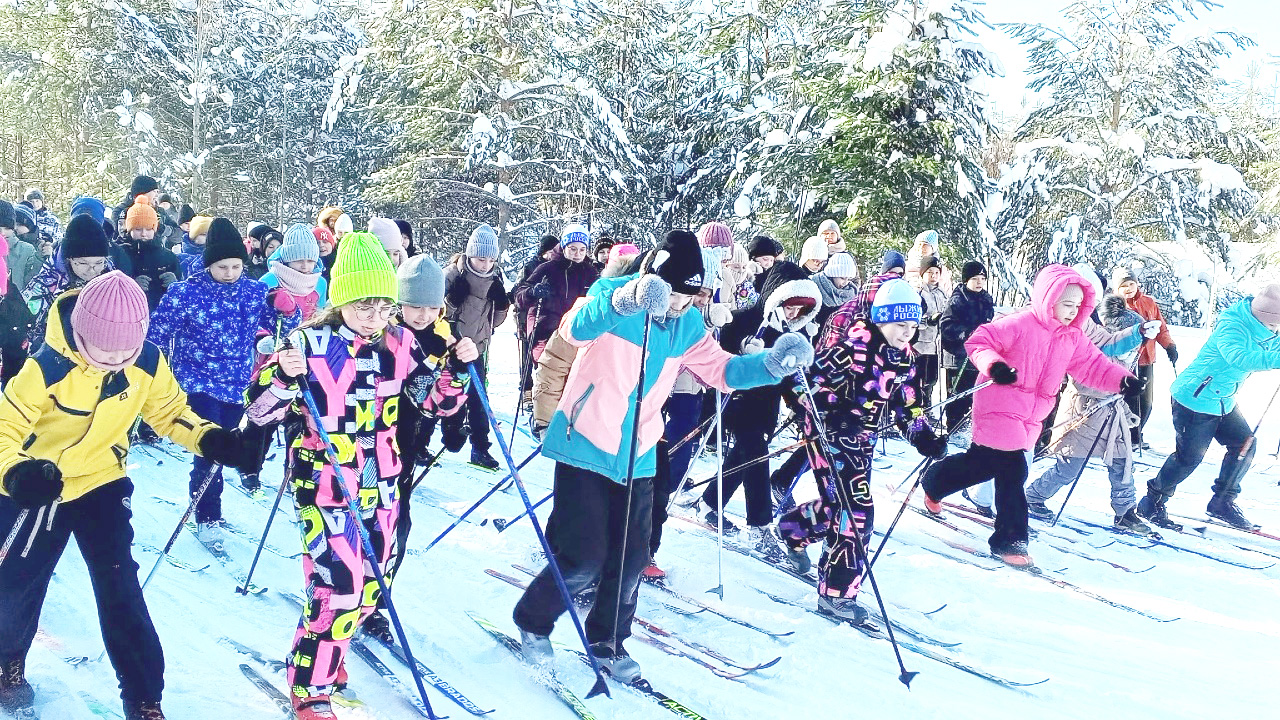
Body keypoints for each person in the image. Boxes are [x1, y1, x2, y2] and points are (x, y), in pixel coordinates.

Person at [512, 230, 812, 682]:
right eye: (672, 293)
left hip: (640, 453)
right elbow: (574, 328)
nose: (678, 304)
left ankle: (608, 642)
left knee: (632, 559)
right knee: (584, 557)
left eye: (689, 296)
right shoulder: (611, 296)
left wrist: (770, 364)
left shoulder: (686, 324)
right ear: (652, 279)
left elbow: (723, 370)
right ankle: (533, 621)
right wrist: (626, 302)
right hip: (585, 442)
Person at [0, 270, 254, 720]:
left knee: (119, 586)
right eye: (104, 352)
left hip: (102, 481)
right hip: (40, 485)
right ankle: (7, 665)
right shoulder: (46, 368)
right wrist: (18, 473)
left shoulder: (147, 362)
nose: (116, 361)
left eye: (126, 352)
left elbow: (171, 412)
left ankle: (143, 697)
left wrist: (211, 438)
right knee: (18, 584)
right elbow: (5, 429)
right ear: (81, 334)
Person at [241, 231, 472, 719]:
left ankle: (331, 646)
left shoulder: (400, 343)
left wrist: (456, 371)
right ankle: (311, 687)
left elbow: (434, 403)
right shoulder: (308, 344)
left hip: (381, 483)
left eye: (385, 306)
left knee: (371, 590)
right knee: (339, 590)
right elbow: (259, 414)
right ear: (341, 299)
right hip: (325, 486)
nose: (375, 317)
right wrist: (283, 377)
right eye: (365, 306)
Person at [921, 265, 1140, 566]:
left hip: (1032, 416)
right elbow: (980, 341)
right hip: (999, 404)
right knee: (1013, 471)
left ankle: (935, 482)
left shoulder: (1072, 337)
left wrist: (1122, 380)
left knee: (982, 464)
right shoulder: (1021, 323)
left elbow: (1093, 366)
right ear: (1049, 299)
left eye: (1078, 305)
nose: (1073, 311)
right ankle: (1010, 541)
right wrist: (995, 366)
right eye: (1067, 304)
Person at [777, 278, 945, 620]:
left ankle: (793, 529)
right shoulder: (852, 348)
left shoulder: (905, 359)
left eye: (913, 325)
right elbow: (800, 384)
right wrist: (833, 409)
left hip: (861, 441)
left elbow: (907, 405)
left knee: (838, 506)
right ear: (881, 319)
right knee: (856, 512)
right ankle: (836, 594)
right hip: (828, 435)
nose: (907, 332)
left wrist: (923, 437)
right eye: (900, 324)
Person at [364, 253, 479, 642]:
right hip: (364, 445)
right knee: (361, 528)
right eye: (414, 305)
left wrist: (455, 421)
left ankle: (375, 604)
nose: (423, 314)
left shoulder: (446, 339)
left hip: (405, 448)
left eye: (432, 307)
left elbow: (441, 396)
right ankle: (346, 596)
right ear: (399, 301)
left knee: (395, 529)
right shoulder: (381, 334)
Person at [147, 218, 268, 545]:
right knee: (210, 447)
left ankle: (211, 506)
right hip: (196, 381)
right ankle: (207, 514)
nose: (229, 273)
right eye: (222, 267)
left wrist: (285, 310)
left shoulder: (254, 291)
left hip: (236, 383)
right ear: (209, 264)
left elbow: (283, 322)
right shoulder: (186, 293)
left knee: (227, 444)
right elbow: (158, 332)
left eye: (236, 266)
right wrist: (150, 365)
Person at [1137, 285, 1280, 531]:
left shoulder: (1268, 327)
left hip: (1223, 399)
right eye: (1273, 325)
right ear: (1263, 316)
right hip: (1194, 398)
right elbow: (1240, 357)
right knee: (1188, 458)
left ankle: (1222, 501)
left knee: (1244, 444)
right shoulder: (1233, 325)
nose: (1275, 330)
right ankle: (1152, 501)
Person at [706, 261, 823, 559]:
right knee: (757, 457)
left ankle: (710, 502)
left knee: (744, 456)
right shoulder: (744, 319)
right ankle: (759, 526)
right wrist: (741, 350)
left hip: (767, 406)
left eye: (800, 310)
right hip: (737, 400)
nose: (794, 314)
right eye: (790, 307)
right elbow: (718, 356)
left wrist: (801, 404)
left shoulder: (793, 332)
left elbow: (793, 377)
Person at [1025, 294, 1153, 534]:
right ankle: (1033, 496)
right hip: (1083, 412)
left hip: (1112, 414)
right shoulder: (1090, 344)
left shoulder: (1126, 355)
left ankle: (1126, 512)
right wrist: (1118, 385)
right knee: (1069, 468)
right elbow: (1084, 379)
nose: (1132, 349)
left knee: (1122, 463)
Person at [442, 224, 510, 470]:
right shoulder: (452, 275)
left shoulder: (494, 279)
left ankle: (481, 448)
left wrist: (502, 305)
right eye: (481, 259)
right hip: (450, 347)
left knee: (479, 400)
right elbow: (434, 315)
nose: (485, 265)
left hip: (477, 348)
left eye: (491, 260)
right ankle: (442, 440)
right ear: (470, 255)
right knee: (450, 397)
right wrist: (452, 300)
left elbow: (494, 322)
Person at [514, 225, 599, 379]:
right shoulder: (547, 269)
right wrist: (532, 292)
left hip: (577, 333)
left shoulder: (590, 272)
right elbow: (519, 294)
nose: (577, 254)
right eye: (573, 249)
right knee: (550, 379)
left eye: (582, 249)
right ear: (564, 247)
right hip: (547, 332)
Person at [22, 214, 112, 351]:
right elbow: (26, 327)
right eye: (83, 263)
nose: (92, 270)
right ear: (68, 259)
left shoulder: (110, 276)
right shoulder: (45, 285)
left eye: (99, 262)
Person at [1112, 266, 1177, 450]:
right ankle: (1124, 436)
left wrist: (1169, 346)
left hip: (1146, 359)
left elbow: (1161, 327)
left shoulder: (1148, 302)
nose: (1128, 288)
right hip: (1125, 361)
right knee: (1129, 401)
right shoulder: (1115, 306)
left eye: (1131, 284)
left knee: (1146, 403)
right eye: (1124, 285)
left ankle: (1136, 434)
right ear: (1117, 288)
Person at [939, 260, 995, 433]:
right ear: (966, 280)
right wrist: (965, 333)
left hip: (977, 356)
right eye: (975, 279)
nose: (979, 282)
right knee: (958, 394)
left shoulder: (986, 299)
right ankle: (953, 427)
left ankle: (968, 426)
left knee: (975, 394)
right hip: (958, 356)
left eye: (982, 279)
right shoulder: (958, 299)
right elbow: (946, 326)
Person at [117, 196, 180, 311]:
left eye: (148, 229)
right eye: (138, 229)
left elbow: (182, 291)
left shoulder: (168, 256)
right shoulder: (120, 254)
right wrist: (130, 285)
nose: (143, 234)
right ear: (129, 229)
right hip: (128, 313)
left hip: (162, 314)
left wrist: (175, 284)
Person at [912, 255, 948, 405]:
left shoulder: (942, 293)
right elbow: (912, 318)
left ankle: (927, 406)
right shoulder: (917, 292)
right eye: (930, 272)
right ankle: (916, 408)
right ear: (922, 273)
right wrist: (928, 320)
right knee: (918, 379)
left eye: (936, 272)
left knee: (932, 379)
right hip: (919, 344)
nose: (934, 276)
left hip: (936, 345)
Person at [1, 202, 40, 296]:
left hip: (14, 302)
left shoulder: (26, 250)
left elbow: (31, 282)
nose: (2, 233)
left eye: (7, 228)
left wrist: (40, 259)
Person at [812, 252, 858, 329]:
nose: (845, 283)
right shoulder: (815, 285)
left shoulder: (851, 293)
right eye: (842, 278)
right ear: (832, 274)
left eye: (849, 279)